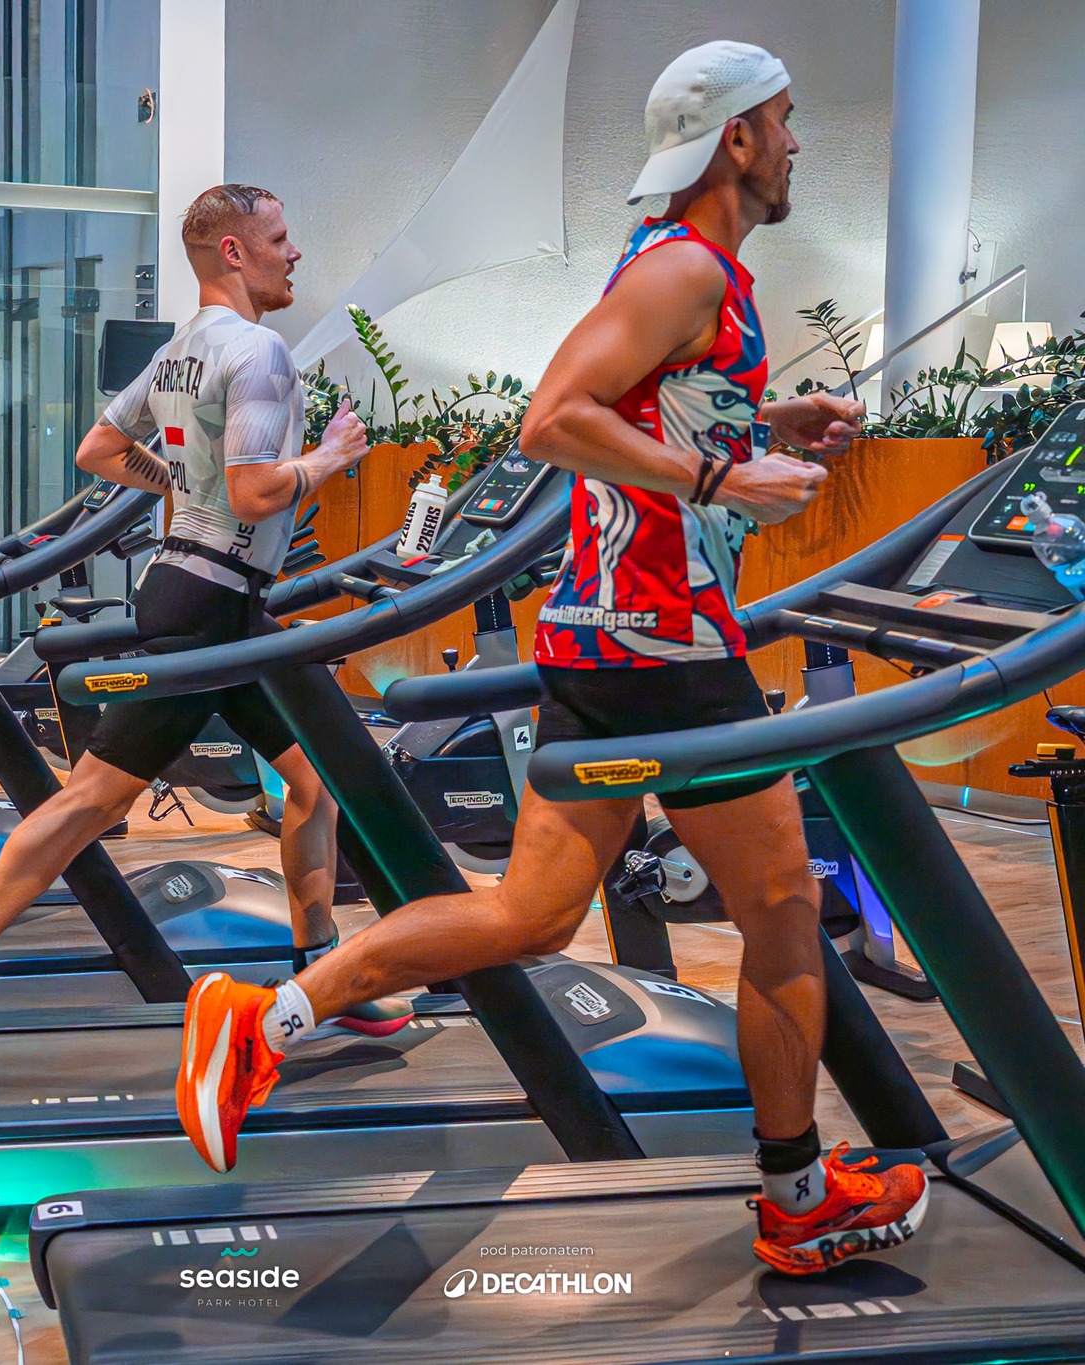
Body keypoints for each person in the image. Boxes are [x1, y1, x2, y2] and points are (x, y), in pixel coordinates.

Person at [174, 43, 928, 1279]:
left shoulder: (695, 273)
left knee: (527, 917)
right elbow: (553, 418)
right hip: (664, 635)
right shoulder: (685, 266)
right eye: (785, 121)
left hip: (610, 632)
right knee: (784, 909)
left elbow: (641, 407)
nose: (797, 143)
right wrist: (722, 477)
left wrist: (762, 422)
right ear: (736, 138)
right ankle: (796, 1197)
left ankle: (268, 1015)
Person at [0, 184, 375, 1070]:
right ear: (234, 252)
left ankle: (322, 972)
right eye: (279, 237)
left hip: (208, 595)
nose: (294, 252)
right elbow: (255, 493)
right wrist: (328, 458)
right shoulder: (258, 349)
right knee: (93, 799)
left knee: (319, 779)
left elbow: (100, 451)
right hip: (212, 605)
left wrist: (180, 486)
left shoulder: (179, 351)